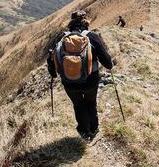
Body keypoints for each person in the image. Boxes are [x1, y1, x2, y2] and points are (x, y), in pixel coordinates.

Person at [47, 10, 113, 141]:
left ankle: (83, 131)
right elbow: (107, 62)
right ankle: (93, 129)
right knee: (91, 102)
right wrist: (110, 66)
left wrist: (53, 74)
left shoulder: (62, 37)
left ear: (71, 22)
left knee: (78, 104)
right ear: (86, 22)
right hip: (90, 79)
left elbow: (51, 58)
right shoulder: (92, 36)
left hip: (68, 81)